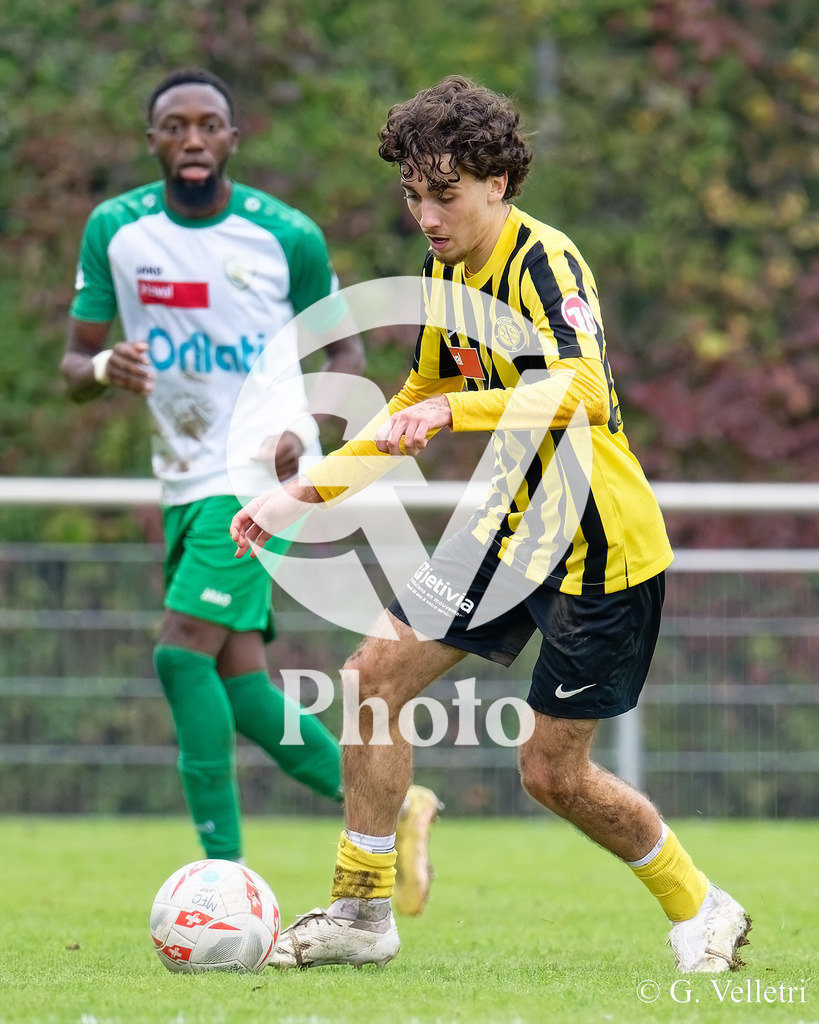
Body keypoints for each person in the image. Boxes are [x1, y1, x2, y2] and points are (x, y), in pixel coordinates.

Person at [230, 75, 752, 972]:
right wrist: (301, 494)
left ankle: (701, 905)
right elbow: (418, 399)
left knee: (550, 775)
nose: (426, 216)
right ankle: (361, 913)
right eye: (413, 195)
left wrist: (452, 416)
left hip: (601, 551)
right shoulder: (443, 272)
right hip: (511, 529)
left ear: (496, 185)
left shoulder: (544, 262)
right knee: (369, 681)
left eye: (445, 195)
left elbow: (584, 390)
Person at [60, 68, 442, 914]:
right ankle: (401, 808)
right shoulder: (115, 232)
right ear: (152, 139)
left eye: (209, 125)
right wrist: (99, 365)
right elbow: (73, 364)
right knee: (240, 688)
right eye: (174, 126)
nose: (192, 139)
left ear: (233, 139)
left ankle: (222, 882)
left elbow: (344, 355)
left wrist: (308, 419)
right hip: (180, 472)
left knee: (177, 650)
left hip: (257, 476)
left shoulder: (286, 237)